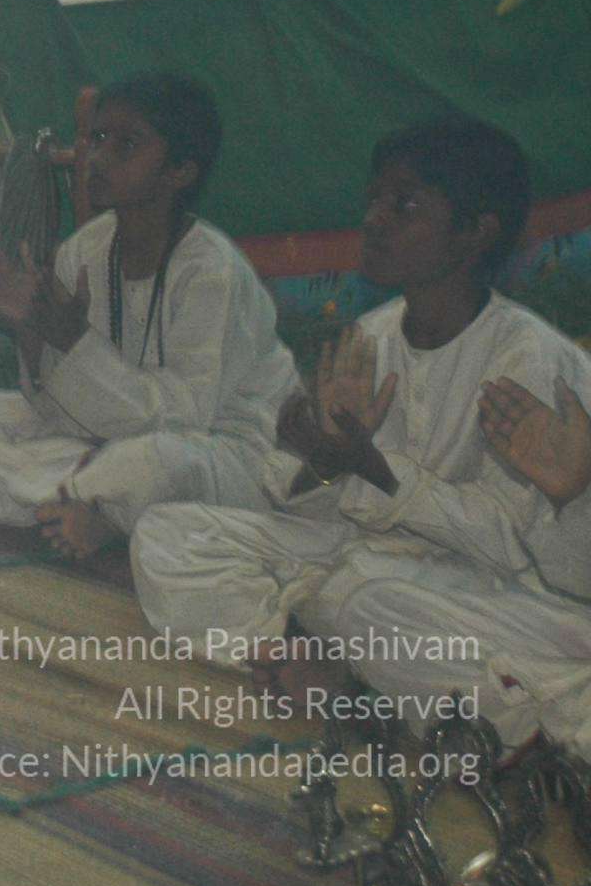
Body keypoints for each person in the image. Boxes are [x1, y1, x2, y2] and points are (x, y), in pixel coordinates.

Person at [133, 118, 591, 743]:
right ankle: (296, 654)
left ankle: (375, 686)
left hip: (487, 594)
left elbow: (509, 546)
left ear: (476, 232)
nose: (374, 220)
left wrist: (374, 469)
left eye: (405, 206)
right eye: (373, 201)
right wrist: (324, 460)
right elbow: (314, 507)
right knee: (168, 534)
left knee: (371, 604)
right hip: (367, 564)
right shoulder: (370, 337)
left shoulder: (530, 360)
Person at [0, 74, 298, 559]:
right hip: (95, 441)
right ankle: (77, 503)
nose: (98, 158)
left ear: (180, 172)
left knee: (152, 463)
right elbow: (51, 406)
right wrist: (28, 331)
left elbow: (184, 419)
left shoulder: (211, 271)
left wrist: (75, 342)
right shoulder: (85, 249)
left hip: (218, 451)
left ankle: (71, 499)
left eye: (126, 145)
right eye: (97, 139)